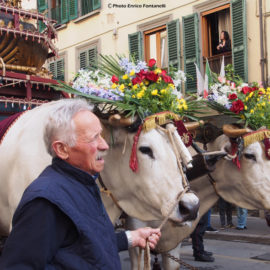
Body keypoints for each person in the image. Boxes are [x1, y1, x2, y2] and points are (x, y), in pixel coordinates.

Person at [0, 99, 161, 270]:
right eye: (94, 139)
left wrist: (131, 238)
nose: (104, 145)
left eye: (101, 135)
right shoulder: (45, 201)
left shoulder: (84, 183)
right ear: (62, 149)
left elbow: (85, 243)